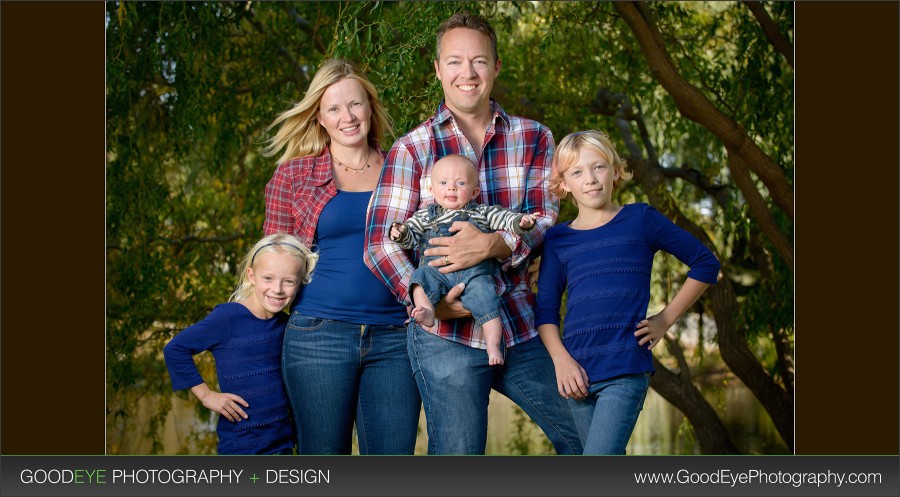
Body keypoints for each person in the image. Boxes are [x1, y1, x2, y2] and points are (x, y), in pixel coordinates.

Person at [365, 11, 582, 455]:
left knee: (588, 438)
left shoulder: (535, 137)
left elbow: (543, 215)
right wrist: (429, 301)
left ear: (496, 67)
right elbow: (380, 243)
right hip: (446, 337)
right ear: (438, 69)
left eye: (480, 61)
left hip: (520, 323)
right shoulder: (413, 148)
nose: (468, 73)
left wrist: (493, 244)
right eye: (455, 61)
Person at [261, 58, 421, 455]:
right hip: (318, 336)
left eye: (355, 104)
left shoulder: (405, 171)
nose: (347, 117)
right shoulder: (292, 176)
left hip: (395, 339)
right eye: (334, 108)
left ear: (370, 107)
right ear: (319, 117)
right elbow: (273, 263)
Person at [534, 130, 721, 454]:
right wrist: (561, 361)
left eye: (599, 167)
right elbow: (546, 312)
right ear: (563, 184)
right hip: (575, 375)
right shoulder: (558, 239)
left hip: (625, 369)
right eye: (577, 172)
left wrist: (664, 319)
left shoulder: (640, 219)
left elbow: (706, 263)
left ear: (616, 171)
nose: (590, 179)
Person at [163, 233, 318, 455]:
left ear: (299, 283)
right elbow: (175, 349)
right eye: (268, 278)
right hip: (242, 445)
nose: (277, 289)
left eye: (289, 281)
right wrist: (207, 395)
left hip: (282, 442)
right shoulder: (227, 318)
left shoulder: (288, 325)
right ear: (252, 276)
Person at [390, 154, 539, 366]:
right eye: (443, 183)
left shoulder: (481, 212)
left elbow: (505, 218)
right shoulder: (426, 216)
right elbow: (411, 236)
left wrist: (520, 222)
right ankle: (427, 310)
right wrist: (400, 232)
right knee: (419, 277)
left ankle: (494, 344)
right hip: (437, 272)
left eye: (460, 183)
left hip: (474, 275)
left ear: (474, 192)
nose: (451, 188)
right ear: (432, 190)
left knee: (487, 298)